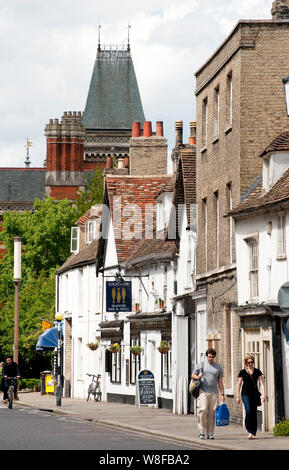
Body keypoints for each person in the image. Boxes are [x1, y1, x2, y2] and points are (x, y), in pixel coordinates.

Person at [192, 348, 225, 440]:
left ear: (214, 357)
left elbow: (220, 381)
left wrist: (222, 394)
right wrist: (198, 376)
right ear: (206, 356)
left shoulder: (218, 367)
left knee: (212, 413)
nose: (211, 358)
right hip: (203, 391)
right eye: (209, 357)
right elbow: (193, 375)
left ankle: (210, 433)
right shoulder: (201, 365)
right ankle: (202, 431)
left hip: (214, 392)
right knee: (203, 410)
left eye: (212, 357)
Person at [236, 354, 265, 439]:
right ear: (246, 363)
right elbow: (239, 384)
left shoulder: (257, 371)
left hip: (254, 394)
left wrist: (263, 395)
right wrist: (237, 396)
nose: (250, 364)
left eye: (252, 362)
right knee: (248, 411)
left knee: (254, 412)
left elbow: (262, 384)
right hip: (245, 394)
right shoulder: (243, 372)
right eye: (249, 362)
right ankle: (249, 429)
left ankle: (253, 432)